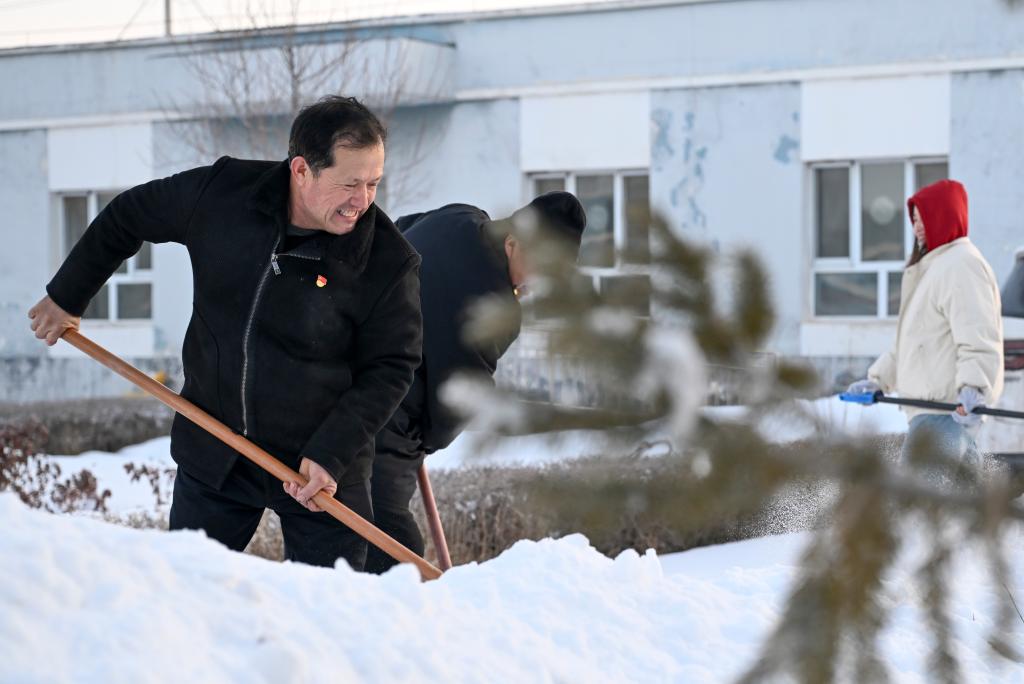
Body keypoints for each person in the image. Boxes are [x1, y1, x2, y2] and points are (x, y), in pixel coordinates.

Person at [28, 96, 423, 571]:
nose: (363, 201)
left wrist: (331, 453)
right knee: (187, 593)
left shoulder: (387, 261)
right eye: (349, 184)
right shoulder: (223, 195)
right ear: (301, 170)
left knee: (328, 608)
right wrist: (68, 295)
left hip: (317, 472)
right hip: (216, 447)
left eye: (373, 183)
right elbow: (128, 215)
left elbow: (391, 366)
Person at [364, 193, 586, 574]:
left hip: (346, 362)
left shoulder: (459, 216)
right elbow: (461, 400)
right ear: (514, 242)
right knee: (398, 553)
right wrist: (424, 443)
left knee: (349, 530)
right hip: (387, 417)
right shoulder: (496, 310)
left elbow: (399, 231)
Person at [847, 179, 1003, 469]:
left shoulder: (961, 264)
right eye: (915, 220)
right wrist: (877, 380)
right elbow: (912, 344)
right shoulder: (934, 268)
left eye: (924, 219)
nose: (917, 228)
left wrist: (974, 387)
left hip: (944, 414)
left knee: (919, 497)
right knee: (954, 497)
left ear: (944, 216)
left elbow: (978, 334)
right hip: (933, 416)